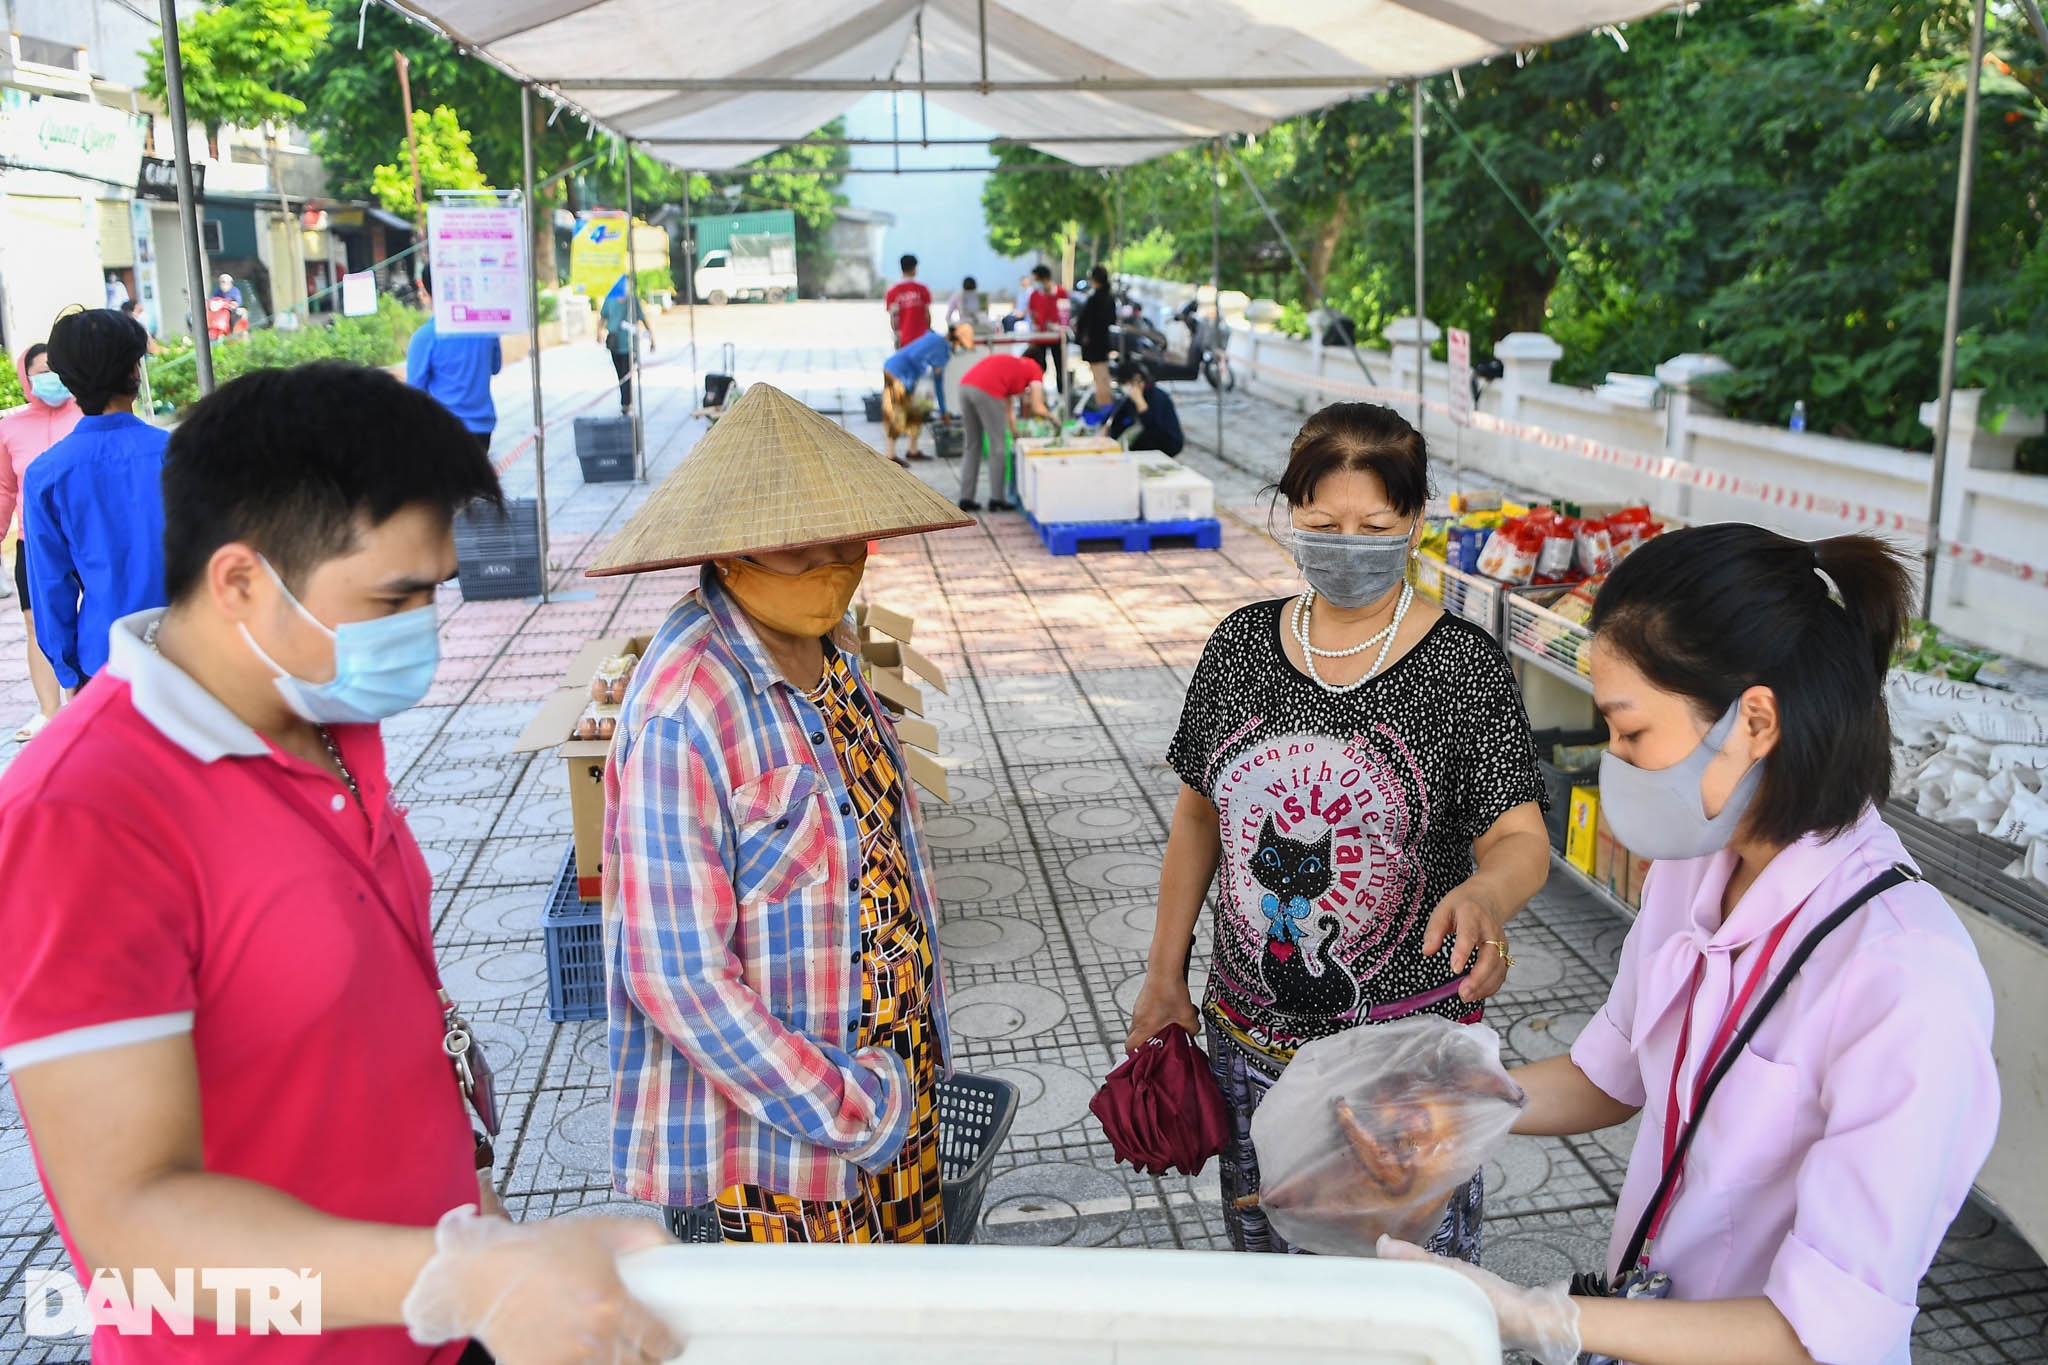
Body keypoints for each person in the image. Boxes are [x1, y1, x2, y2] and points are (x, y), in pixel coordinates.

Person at [0, 361, 678, 1363]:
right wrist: (463, 1278)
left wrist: (486, 1241)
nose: (422, 632)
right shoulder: (88, 816)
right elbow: (128, 1223)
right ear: (239, 580)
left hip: (434, 1326)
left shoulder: (326, 718)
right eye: (394, 598)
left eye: (432, 594)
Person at [1384, 525, 1999, 1365]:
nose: (1615, 763)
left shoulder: (1905, 977)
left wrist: (1537, 1317)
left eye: (1632, 735)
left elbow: (1817, 1331)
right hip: (1648, 1326)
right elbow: (1613, 1074)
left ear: (1755, 720)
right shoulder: (1696, 866)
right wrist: (1455, 1102)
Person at [1126, 402, 1549, 1257]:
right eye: (1323, 523)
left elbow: (1521, 837)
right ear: (1291, 515)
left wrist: (1485, 890)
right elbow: (1198, 815)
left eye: (1374, 525)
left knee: (1411, 1286)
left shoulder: (1464, 667)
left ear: (1416, 522)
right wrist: (1163, 973)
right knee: (1277, 1282)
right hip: (1250, 1040)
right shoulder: (1240, 646)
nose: (1346, 543)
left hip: (1403, 1061)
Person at [588, 382, 973, 1245]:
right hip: (788, 1134)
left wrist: (897, 1082)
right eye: (800, 547)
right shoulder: (685, 712)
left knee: (902, 1320)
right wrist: (849, 1107)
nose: (831, 561)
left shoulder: (829, 653)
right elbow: (675, 975)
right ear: (730, 553)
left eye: (845, 536)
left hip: (891, 1073)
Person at [24, 308, 169, 694]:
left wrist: (68, 670)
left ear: (68, 383)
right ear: (135, 371)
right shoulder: (185, 454)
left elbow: (50, 586)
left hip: (106, 663)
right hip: (193, 658)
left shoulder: (47, 474)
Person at [0, 343, 81, 739]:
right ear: (26, 377)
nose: (50, 376)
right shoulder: (8, 425)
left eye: (56, 367)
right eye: (41, 370)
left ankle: (84, 702)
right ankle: (49, 712)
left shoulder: (87, 414)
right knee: (37, 623)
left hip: (83, 535)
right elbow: (3, 488)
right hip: (33, 541)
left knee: (88, 612)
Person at [408, 265, 504, 454]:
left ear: (426, 290)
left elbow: (413, 391)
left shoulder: (426, 336)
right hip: (483, 427)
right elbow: (495, 367)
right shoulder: (487, 329)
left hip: (443, 430)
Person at [953, 350, 1049, 513]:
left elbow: (1007, 406)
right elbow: (1037, 406)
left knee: (971, 445)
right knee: (998, 446)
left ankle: (966, 498)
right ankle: (997, 499)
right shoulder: (1035, 368)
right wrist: (1055, 420)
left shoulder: (1013, 367)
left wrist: (1014, 431)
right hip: (987, 390)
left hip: (965, 387)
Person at [880, 323, 968, 463]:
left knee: (919, 411)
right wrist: (924, 371)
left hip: (913, 379)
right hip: (897, 372)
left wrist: (943, 411)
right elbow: (915, 356)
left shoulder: (941, 348)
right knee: (897, 413)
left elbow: (938, 383)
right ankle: (891, 456)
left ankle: (912, 451)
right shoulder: (939, 344)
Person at [598, 274, 656, 415]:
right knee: (621, 374)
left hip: (629, 344)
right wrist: (598, 332)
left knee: (627, 374)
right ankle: (625, 401)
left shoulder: (632, 300)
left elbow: (642, 318)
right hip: (615, 343)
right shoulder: (610, 300)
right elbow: (603, 317)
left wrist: (652, 337)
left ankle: (626, 403)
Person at [1107, 363, 1184, 457]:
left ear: (1137, 379)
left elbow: (1153, 427)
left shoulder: (1157, 397)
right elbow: (1118, 420)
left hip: (1168, 442)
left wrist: (1140, 402)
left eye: (1125, 383)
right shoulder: (1131, 398)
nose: (1124, 387)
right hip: (1148, 439)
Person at [1074, 265, 1117, 410]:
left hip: (1093, 343)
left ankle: (1104, 410)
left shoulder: (1094, 299)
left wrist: (1081, 336)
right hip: (1103, 341)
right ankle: (1107, 407)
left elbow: (1083, 321)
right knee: (1103, 378)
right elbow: (1112, 320)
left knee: (1099, 379)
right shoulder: (1109, 297)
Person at [1023, 264, 1067, 395]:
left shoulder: (1059, 292)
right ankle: (1039, 395)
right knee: (1039, 366)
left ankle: (1062, 394)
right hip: (1040, 337)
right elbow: (1032, 313)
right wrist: (1036, 326)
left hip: (1056, 335)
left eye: (1037, 279)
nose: (1036, 283)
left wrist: (1059, 326)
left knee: (1060, 366)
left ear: (1044, 279)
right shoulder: (1035, 295)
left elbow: (1065, 313)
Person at [885, 254, 932, 350]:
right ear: (915, 268)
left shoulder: (892, 292)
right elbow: (927, 314)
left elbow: (893, 318)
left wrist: (897, 336)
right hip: (921, 337)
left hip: (903, 338)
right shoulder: (922, 289)